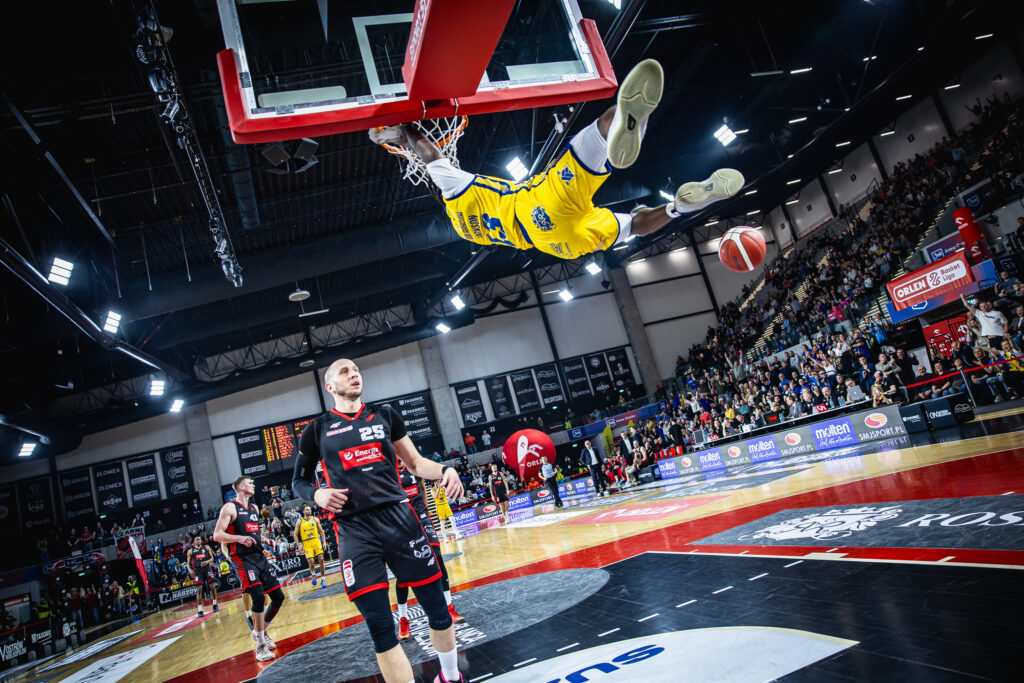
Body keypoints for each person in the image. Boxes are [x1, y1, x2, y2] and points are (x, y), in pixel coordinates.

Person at [369, 59, 743, 261]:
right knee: (597, 134)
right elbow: (431, 154)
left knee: (632, 224)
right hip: (537, 208)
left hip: (559, 244)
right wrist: (403, 133)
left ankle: (677, 207)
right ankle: (627, 120)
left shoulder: (467, 231)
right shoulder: (454, 194)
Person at [291, 358, 466, 683]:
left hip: (400, 520)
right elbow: (297, 482)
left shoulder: (385, 415)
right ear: (329, 386)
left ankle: (451, 677)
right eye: (344, 371)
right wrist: (316, 494)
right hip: (355, 530)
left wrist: (445, 469)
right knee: (382, 630)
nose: (353, 374)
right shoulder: (317, 430)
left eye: (356, 370)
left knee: (438, 611)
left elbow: (415, 463)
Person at [213, 476, 286, 662]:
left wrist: (266, 540)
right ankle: (260, 646)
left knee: (278, 597)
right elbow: (217, 535)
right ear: (240, 487)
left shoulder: (253, 508)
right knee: (258, 597)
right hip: (242, 558)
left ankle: (259, 632)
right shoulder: (230, 507)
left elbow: (253, 533)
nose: (253, 485)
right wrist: (238, 538)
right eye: (250, 483)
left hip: (259, 556)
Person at [393, 461, 463, 642]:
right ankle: (403, 619)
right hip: (401, 520)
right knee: (403, 573)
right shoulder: (388, 469)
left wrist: (423, 506)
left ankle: (449, 607)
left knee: (437, 557)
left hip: (421, 513)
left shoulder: (412, 464)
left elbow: (422, 487)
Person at [294, 505, 328, 588]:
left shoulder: (315, 519)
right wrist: (298, 545)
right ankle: (313, 574)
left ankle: (323, 579)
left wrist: (324, 542)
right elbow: (295, 534)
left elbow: (321, 531)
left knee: (321, 559)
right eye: (307, 510)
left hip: (316, 540)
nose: (309, 511)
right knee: (311, 562)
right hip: (306, 543)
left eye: (309, 509)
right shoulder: (299, 521)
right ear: (303, 511)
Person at [186, 535, 218, 617]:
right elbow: (188, 564)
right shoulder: (190, 551)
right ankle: (200, 610)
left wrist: (206, 562)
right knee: (199, 590)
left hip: (207, 569)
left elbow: (212, 559)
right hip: (198, 571)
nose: (198, 540)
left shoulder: (206, 547)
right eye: (197, 539)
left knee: (212, 587)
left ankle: (215, 604)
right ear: (194, 542)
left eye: (199, 539)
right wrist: (190, 570)